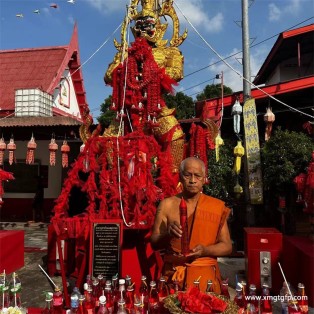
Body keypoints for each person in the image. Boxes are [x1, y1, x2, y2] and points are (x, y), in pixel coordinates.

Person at [150, 157, 232, 294]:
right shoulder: (167, 205)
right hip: (174, 276)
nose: (192, 180)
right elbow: (154, 242)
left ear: (204, 179)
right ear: (180, 177)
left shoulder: (214, 206)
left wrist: (205, 251)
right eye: (188, 175)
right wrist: (168, 234)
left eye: (197, 176)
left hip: (205, 277)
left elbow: (227, 246)